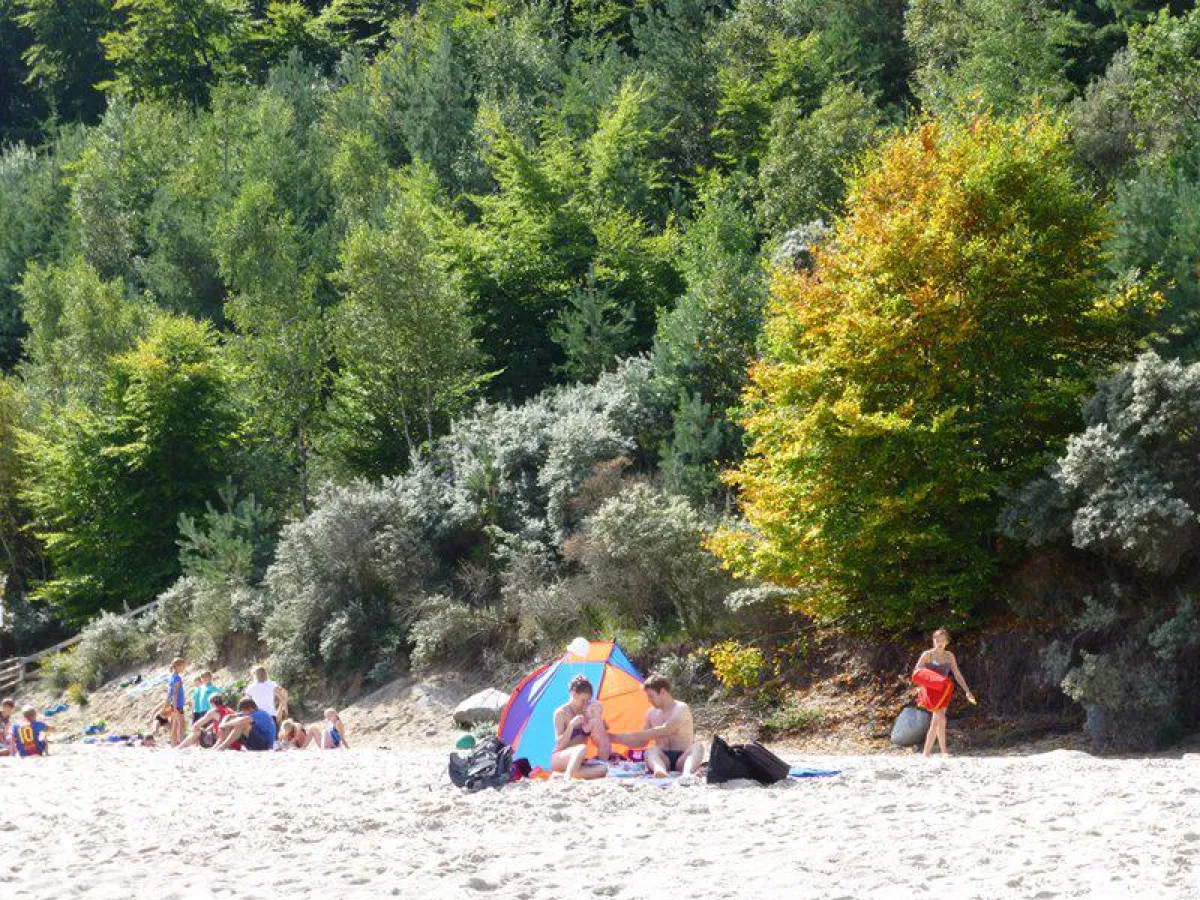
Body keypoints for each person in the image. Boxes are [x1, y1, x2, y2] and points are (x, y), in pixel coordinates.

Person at [610, 674, 705, 778]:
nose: (649, 700)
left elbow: (666, 729)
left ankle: (687, 773)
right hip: (663, 758)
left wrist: (632, 735)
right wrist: (616, 739)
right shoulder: (650, 713)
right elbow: (642, 741)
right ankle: (660, 771)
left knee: (698, 746)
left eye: (651, 696)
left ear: (663, 692)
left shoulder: (681, 708)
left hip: (683, 757)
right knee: (650, 750)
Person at [913, 628, 976, 757]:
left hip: (943, 691)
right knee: (941, 718)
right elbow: (917, 671)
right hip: (930, 690)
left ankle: (926, 753)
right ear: (933, 640)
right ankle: (944, 752)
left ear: (947, 642)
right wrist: (926, 683)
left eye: (942, 640)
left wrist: (967, 691)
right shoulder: (927, 655)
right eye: (937, 640)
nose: (939, 642)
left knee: (936, 721)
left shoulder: (949, 656)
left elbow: (957, 674)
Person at [550, 675, 610, 779]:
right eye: (583, 700)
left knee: (604, 769)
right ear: (573, 694)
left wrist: (598, 721)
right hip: (561, 757)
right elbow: (559, 745)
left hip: (578, 761)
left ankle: (563, 775)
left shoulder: (587, 711)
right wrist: (571, 726)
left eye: (588, 701)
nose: (585, 704)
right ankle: (567, 777)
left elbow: (600, 737)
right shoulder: (561, 713)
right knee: (581, 748)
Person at [166, 657, 187, 745]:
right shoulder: (177, 678)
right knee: (181, 724)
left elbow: (169, 693)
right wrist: (175, 707)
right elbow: (175, 693)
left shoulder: (172, 677)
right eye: (183, 666)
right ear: (178, 666)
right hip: (177, 705)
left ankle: (173, 743)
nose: (184, 668)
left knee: (174, 724)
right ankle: (181, 743)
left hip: (174, 704)